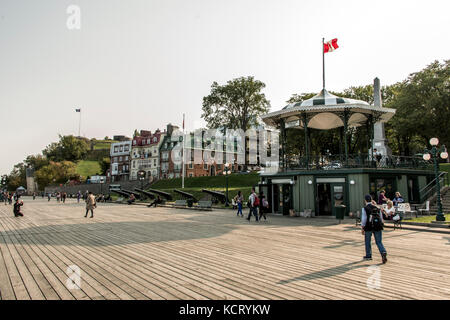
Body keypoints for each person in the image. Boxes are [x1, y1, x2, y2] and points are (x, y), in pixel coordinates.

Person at [361, 194, 387, 263]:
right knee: (379, 242)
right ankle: (383, 252)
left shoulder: (364, 208)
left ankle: (368, 255)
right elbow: (381, 218)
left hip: (368, 226)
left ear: (365, 200)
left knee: (367, 241)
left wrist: (362, 227)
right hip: (377, 226)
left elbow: (364, 219)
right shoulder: (377, 208)